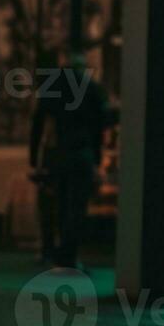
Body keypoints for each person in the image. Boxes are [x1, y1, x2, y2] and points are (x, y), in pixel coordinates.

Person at [29, 49, 109, 272]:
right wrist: (97, 158)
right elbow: (98, 126)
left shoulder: (52, 88)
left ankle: (51, 250)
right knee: (77, 206)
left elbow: (38, 123)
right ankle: (68, 254)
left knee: (56, 203)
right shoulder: (91, 89)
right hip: (80, 152)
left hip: (55, 153)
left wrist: (33, 156)